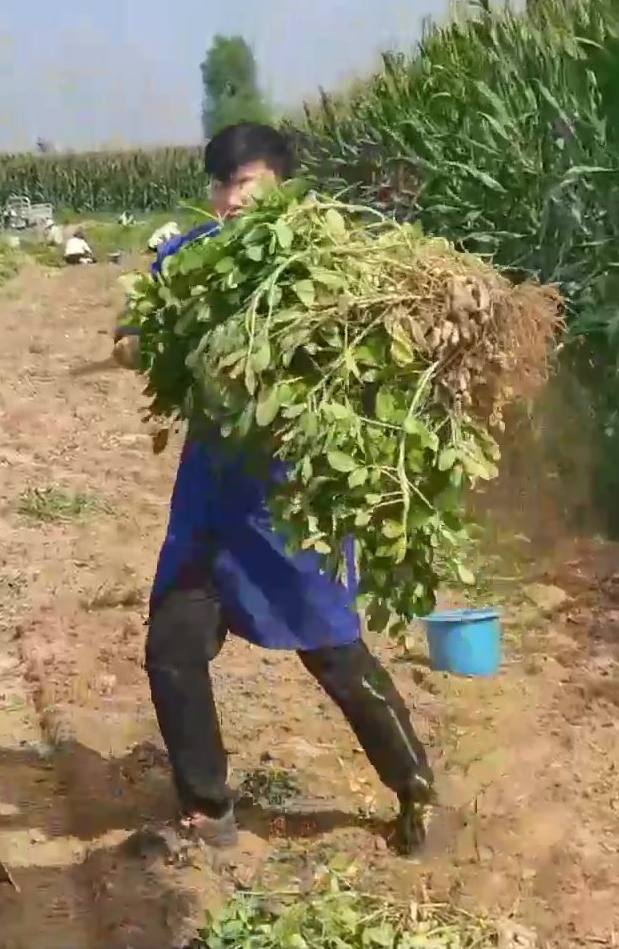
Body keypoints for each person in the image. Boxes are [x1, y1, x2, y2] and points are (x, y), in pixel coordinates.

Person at [112, 122, 439, 856]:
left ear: (282, 187)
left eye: (246, 183)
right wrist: (155, 342)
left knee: (333, 651)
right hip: (209, 499)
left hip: (289, 499)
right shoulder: (188, 259)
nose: (230, 199)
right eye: (221, 184)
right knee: (173, 641)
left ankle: (415, 787)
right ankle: (208, 808)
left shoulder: (322, 267)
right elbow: (130, 338)